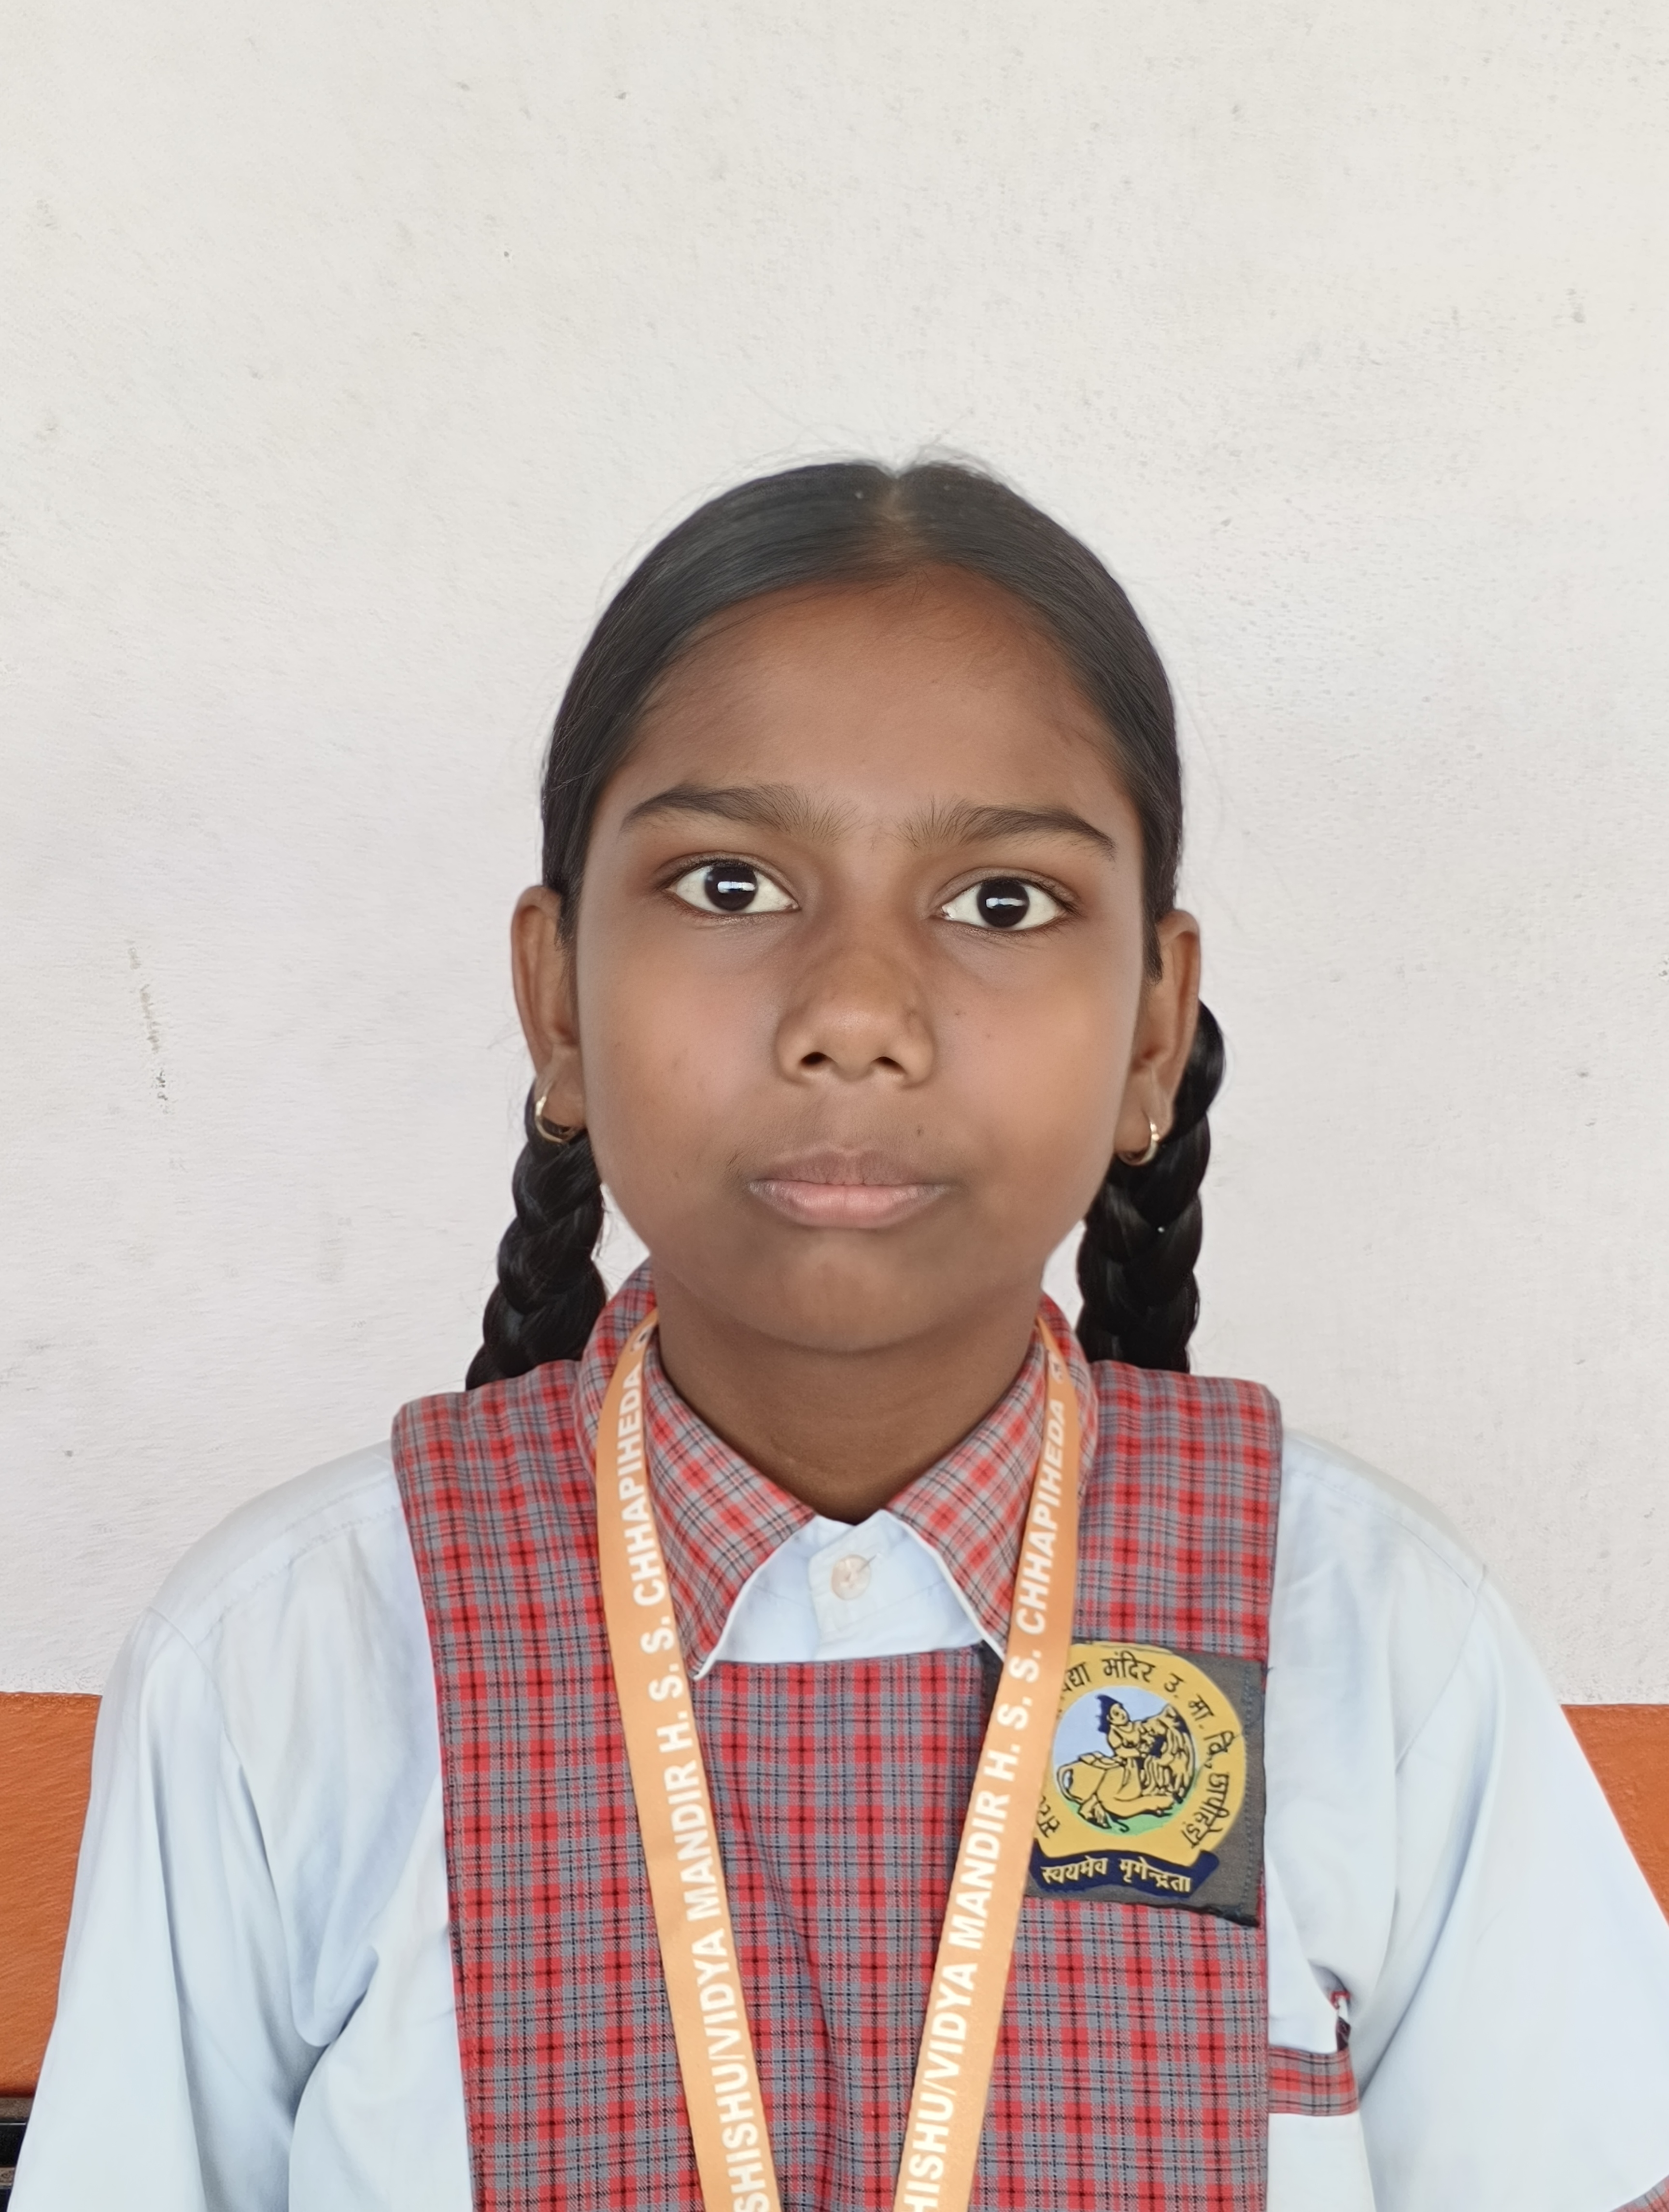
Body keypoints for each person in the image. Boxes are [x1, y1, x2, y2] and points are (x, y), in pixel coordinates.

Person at [15, 462, 1669, 2212]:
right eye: (731, 886)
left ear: (1152, 1032)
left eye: (1001, 902)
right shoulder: (287, 1670)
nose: (858, 1015)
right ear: (557, 998)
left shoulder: (1370, 1640)